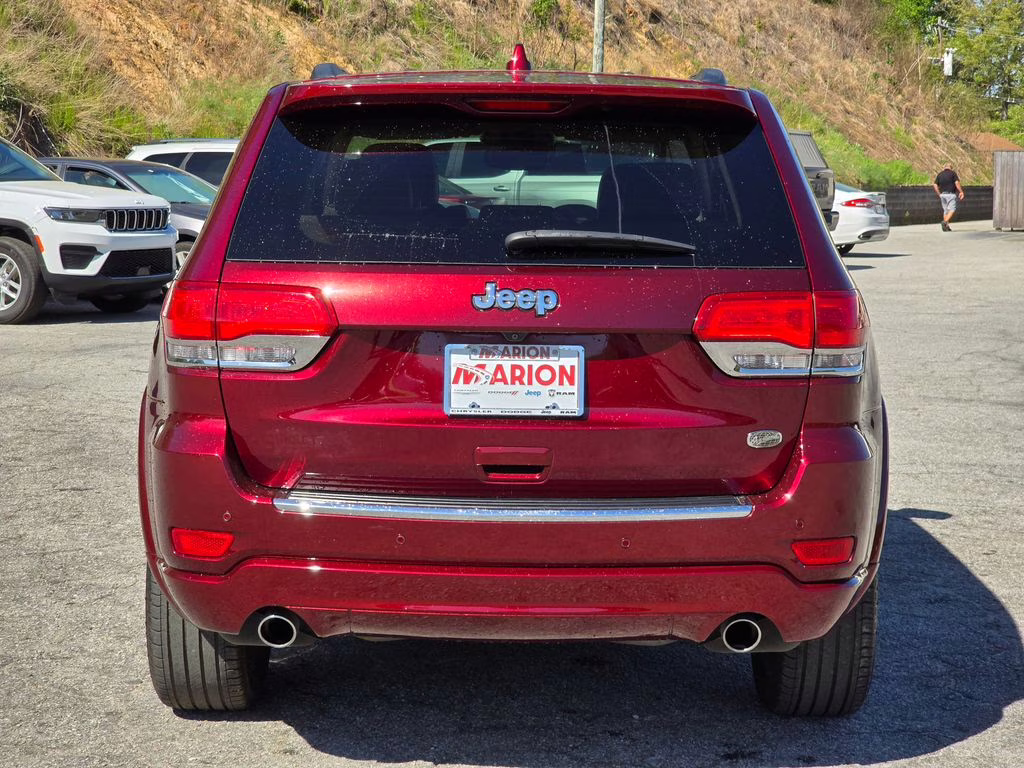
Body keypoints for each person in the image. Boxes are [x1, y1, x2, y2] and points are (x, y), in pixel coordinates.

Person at [933, 163, 965, 231]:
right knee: (952, 209)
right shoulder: (953, 173)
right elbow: (956, 183)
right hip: (950, 194)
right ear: (951, 168)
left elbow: (935, 185)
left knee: (945, 211)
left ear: (944, 168)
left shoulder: (940, 174)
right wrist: (961, 191)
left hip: (942, 195)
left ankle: (946, 226)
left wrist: (939, 194)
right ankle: (945, 222)